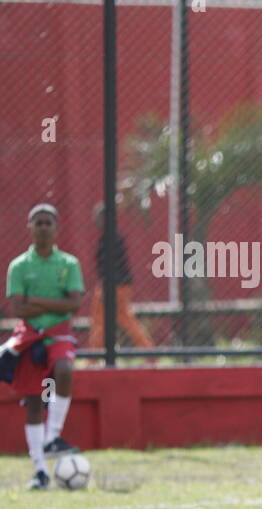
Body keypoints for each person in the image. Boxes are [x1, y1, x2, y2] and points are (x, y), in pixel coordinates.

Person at [2, 203, 84, 490]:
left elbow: (74, 304)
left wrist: (36, 300)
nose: (44, 227)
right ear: (29, 227)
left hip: (59, 334)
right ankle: (40, 470)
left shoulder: (69, 264)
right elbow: (18, 310)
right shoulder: (19, 266)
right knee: (36, 399)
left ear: (57, 227)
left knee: (63, 370)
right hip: (30, 335)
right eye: (38, 223)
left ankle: (53, 437)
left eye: (48, 222)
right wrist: (53, 305)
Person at [89, 200, 155, 350]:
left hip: (112, 286)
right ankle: (148, 350)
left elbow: (109, 265)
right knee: (126, 319)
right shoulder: (114, 235)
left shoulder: (110, 237)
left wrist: (106, 288)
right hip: (121, 285)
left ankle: (94, 356)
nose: (95, 220)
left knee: (100, 321)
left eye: (98, 217)